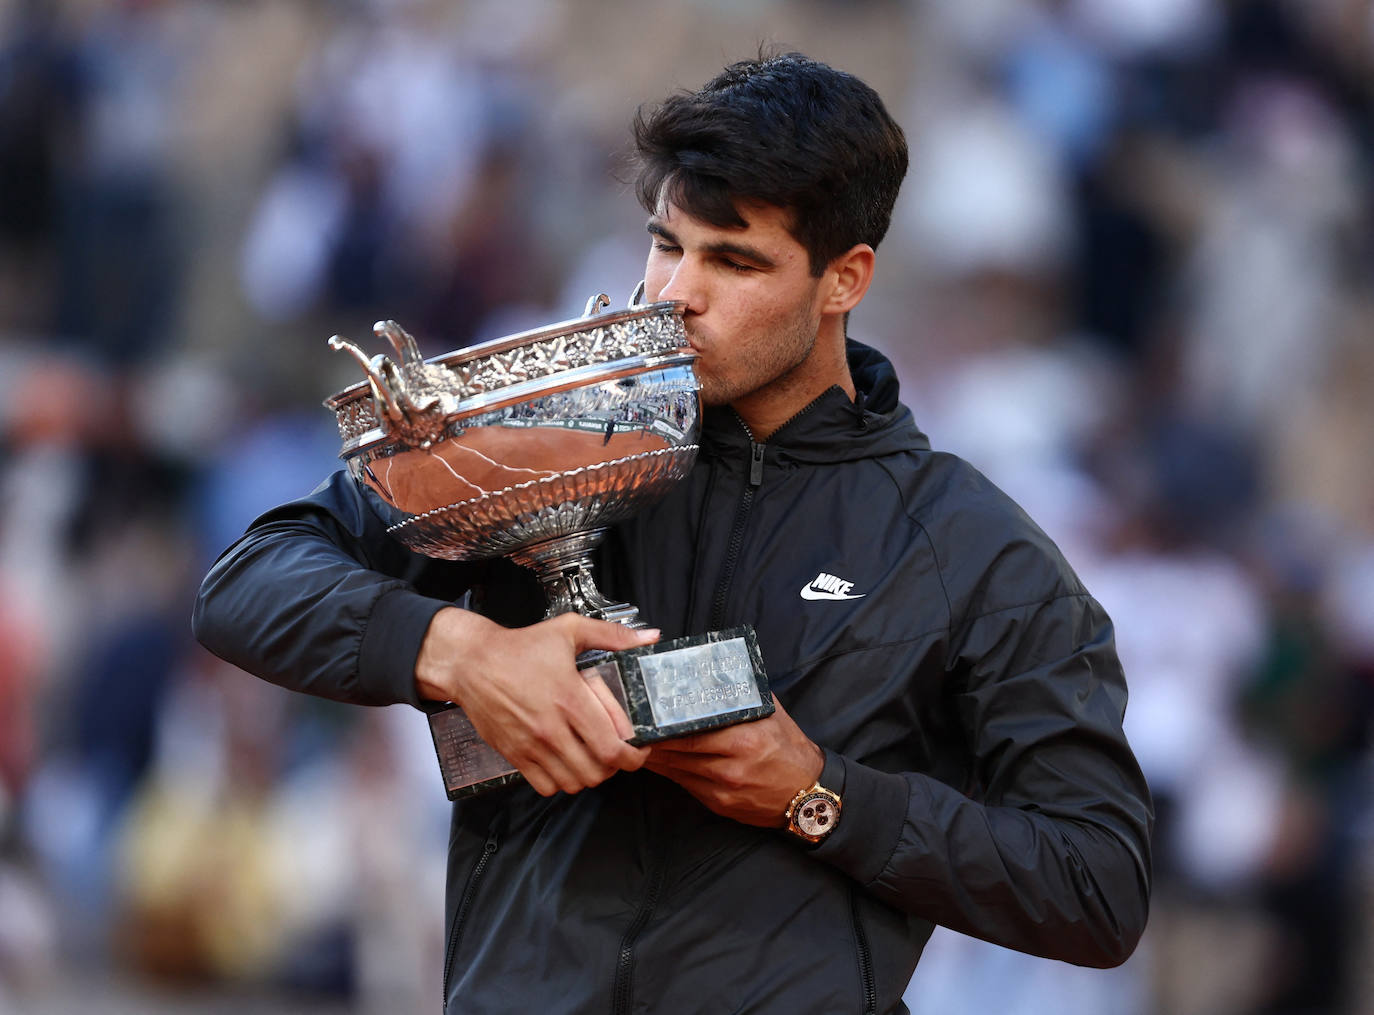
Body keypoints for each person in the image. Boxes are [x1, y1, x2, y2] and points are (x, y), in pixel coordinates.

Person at [194, 51, 1152, 1015]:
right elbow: (245, 583)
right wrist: (461, 652)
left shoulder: (968, 547)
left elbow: (1097, 886)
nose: (673, 292)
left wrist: (817, 796)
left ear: (843, 279)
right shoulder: (541, 442)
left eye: (734, 261)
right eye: (665, 243)